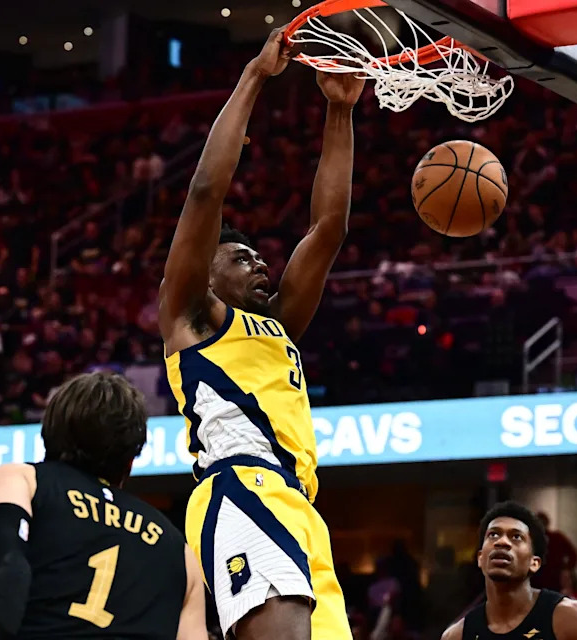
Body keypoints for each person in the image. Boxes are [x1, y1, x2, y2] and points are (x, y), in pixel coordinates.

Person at [159, 27, 364, 640]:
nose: (260, 264)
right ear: (209, 272)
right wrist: (254, 77)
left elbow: (329, 227)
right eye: (241, 257)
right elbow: (204, 193)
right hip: (241, 485)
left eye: (259, 257)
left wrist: (339, 109)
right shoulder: (192, 318)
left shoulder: (276, 325)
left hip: (298, 504)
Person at [0, 372, 206, 639]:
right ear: (131, 460)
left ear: (49, 430)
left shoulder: (17, 482)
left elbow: (1, 580)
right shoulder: (180, 551)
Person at [441, 501, 577, 640]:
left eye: (516, 537)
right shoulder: (457, 635)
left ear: (534, 563)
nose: (502, 542)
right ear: (480, 558)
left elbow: (573, 557)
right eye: (493, 535)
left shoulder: (573, 619)